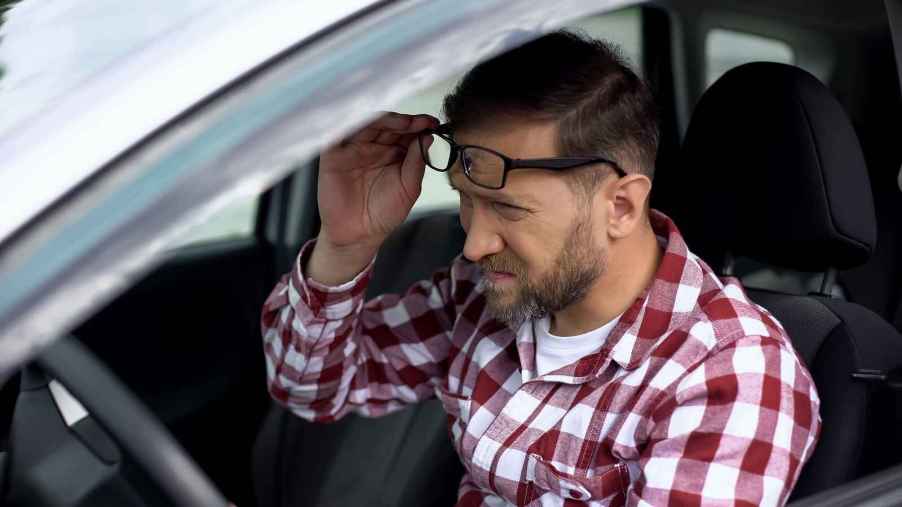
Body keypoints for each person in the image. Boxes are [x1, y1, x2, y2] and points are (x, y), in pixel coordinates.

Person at [261, 31, 820, 506]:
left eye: (508, 209)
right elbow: (311, 388)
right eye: (466, 199)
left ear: (620, 207)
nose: (475, 244)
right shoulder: (480, 295)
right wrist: (346, 244)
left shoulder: (730, 377)